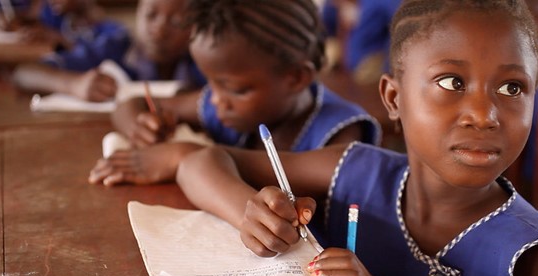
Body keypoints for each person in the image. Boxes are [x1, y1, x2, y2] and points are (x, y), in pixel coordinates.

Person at [172, 0, 538, 276]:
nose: (484, 114)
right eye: (451, 82)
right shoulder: (356, 170)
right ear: (393, 98)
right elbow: (203, 162)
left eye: (512, 87)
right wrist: (253, 213)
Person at [88, 0, 381, 186]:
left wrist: (185, 156)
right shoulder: (226, 103)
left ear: (295, 77)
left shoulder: (341, 130)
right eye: (211, 83)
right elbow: (129, 103)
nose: (215, 100)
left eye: (235, 89)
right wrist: (140, 128)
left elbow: (331, 169)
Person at [12, 0, 205, 102]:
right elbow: (23, 73)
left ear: (195, 28)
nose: (159, 30)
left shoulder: (201, 64)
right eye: (151, 15)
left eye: (176, 22)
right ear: (139, 10)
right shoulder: (114, 47)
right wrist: (74, 84)